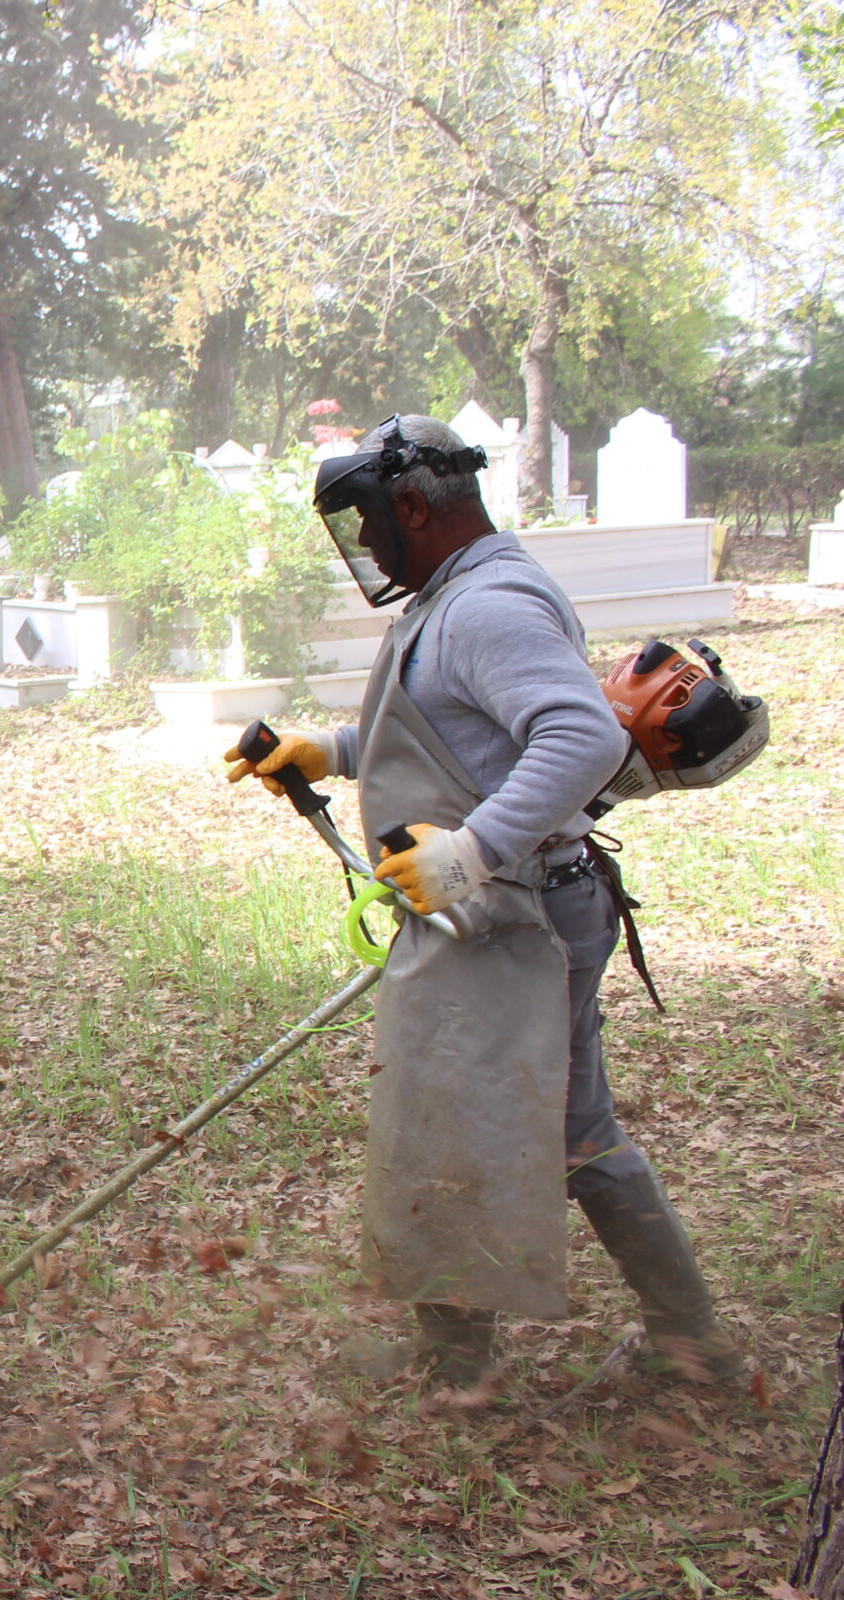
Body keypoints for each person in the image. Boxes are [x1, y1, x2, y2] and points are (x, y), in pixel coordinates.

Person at [228, 414, 739, 1388]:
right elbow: (459, 730)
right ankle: (642, 1343)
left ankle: (626, 1349)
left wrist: (469, 853)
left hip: (518, 909)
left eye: (370, 525)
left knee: (499, 1121)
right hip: (508, 905)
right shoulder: (456, 591)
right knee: (512, 1118)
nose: (365, 547)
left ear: (413, 506)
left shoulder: (483, 604)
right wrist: (328, 751)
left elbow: (580, 738)